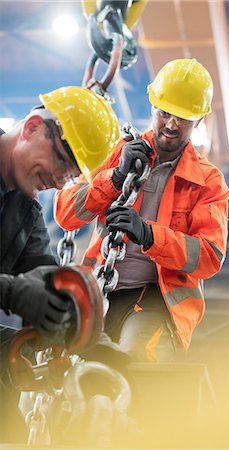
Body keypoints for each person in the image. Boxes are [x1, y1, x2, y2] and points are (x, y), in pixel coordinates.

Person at [55, 58, 229, 364]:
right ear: (153, 106)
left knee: (134, 359)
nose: (172, 125)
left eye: (183, 118)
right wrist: (115, 178)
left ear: (199, 120)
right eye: (165, 113)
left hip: (156, 301)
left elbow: (210, 256)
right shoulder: (118, 154)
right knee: (79, 373)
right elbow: (66, 214)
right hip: (100, 290)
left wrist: (149, 235)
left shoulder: (208, 181)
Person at [0, 85, 120, 442]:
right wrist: (12, 291)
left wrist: (85, 331)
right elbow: (21, 290)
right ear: (33, 127)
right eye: (62, 163)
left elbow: (53, 279)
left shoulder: (23, 211)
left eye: (70, 176)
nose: (58, 182)